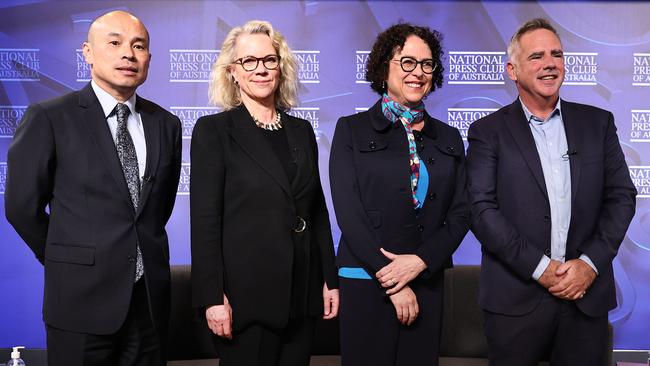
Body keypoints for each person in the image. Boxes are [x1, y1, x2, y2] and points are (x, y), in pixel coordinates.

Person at [4, 10, 181, 366]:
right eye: (114, 43)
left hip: (148, 303)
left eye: (139, 46)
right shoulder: (50, 117)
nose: (128, 54)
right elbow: (21, 207)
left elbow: (156, 209)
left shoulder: (166, 123)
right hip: (78, 302)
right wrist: (64, 257)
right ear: (87, 52)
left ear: (149, 58)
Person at [466, 18, 637, 366]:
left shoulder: (598, 123)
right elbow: (481, 210)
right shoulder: (488, 131)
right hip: (514, 303)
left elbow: (621, 197)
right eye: (537, 56)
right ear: (512, 70)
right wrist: (540, 267)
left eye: (556, 54)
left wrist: (589, 264)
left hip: (584, 299)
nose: (550, 63)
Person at [190, 20, 339, 366]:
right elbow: (205, 221)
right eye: (249, 61)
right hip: (245, 301)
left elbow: (316, 211)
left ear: (280, 67)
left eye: (269, 60)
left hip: (301, 295)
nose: (261, 69)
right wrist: (212, 297)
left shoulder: (301, 130)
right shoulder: (214, 132)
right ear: (233, 72)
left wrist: (328, 278)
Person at [329, 23, 469, 366]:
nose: (418, 72)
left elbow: (462, 212)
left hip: (426, 280)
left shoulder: (449, 137)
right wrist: (393, 280)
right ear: (383, 68)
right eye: (407, 62)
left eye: (426, 64)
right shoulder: (351, 129)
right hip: (365, 279)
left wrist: (420, 262)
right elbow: (349, 212)